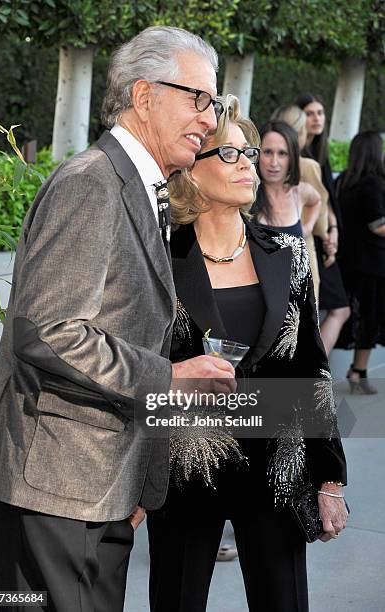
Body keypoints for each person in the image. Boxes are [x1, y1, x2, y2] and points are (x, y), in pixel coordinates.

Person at [0, 26, 236, 612]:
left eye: (214, 103)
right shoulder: (92, 182)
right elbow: (48, 331)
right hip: (56, 492)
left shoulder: (144, 188)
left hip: (91, 489)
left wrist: (139, 475)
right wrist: (170, 378)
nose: (211, 119)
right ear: (144, 96)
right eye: (199, 98)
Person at [147, 95, 348, 612]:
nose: (250, 165)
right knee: (177, 600)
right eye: (231, 154)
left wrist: (329, 478)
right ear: (192, 171)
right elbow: (136, 362)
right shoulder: (161, 258)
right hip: (186, 464)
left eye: (250, 152)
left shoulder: (287, 255)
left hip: (277, 466)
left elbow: (312, 367)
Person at [295, 93, 350, 355]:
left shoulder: (320, 152)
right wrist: (328, 234)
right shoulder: (301, 158)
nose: (317, 118)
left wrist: (334, 230)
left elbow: (327, 198)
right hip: (309, 237)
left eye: (320, 112)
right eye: (310, 113)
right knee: (334, 309)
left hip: (322, 235)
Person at [336, 131, 385, 393]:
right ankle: (358, 371)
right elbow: (378, 224)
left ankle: (357, 373)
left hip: (347, 261)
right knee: (369, 319)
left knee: (345, 317)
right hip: (373, 265)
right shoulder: (373, 183)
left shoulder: (344, 180)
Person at [271, 105, 330, 301]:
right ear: (301, 133)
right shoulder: (307, 165)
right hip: (303, 249)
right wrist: (314, 227)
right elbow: (321, 222)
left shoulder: (265, 163)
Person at [253, 120, 321, 244]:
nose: (274, 163)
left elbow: (316, 201)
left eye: (282, 153)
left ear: (292, 157)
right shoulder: (246, 195)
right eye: (268, 152)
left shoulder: (299, 192)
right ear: (257, 154)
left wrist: (308, 227)